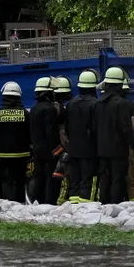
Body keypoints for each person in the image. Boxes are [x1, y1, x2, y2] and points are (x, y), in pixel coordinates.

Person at [94, 66, 134, 204]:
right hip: (118, 150)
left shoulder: (97, 104)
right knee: (117, 180)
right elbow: (126, 128)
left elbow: (94, 127)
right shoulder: (122, 104)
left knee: (104, 180)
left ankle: (104, 205)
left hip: (101, 150)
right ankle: (115, 205)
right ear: (119, 85)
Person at [0, 81, 30, 202]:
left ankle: (8, 204)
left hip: (3, 155)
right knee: (21, 180)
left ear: (4, 96)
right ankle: (20, 203)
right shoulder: (25, 114)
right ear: (19, 96)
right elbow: (30, 135)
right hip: (22, 155)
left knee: (7, 181)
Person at [66, 70, 99, 203]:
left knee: (75, 180)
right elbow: (96, 128)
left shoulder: (71, 103)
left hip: (73, 149)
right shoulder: (95, 104)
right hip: (89, 150)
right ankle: (85, 206)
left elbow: (67, 127)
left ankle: (74, 204)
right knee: (88, 179)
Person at [29, 76, 63, 204]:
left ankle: (36, 202)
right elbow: (51, 133)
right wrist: (58, 151)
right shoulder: (49, 109)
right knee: (50, 178)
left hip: (37, 151)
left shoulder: (33, 109)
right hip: (49, 152)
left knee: (38, 177)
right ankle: (49, 203)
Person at [50, 76, 72, 204]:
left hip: (57, 145)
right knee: (62, 173)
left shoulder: (55, 106)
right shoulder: (58, 108)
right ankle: (60, 200)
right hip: (61, 144)